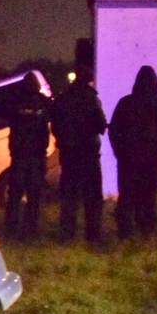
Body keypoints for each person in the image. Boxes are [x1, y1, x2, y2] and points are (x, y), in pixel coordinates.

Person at [108, 65, 157, 239]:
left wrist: (119, 152)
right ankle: (147, 231)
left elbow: (114, 130)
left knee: (127, 196)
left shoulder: (125, 103)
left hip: (127, 159)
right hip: (151, 160)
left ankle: (125, 233)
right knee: (149, 197)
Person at [50, 65, 107, 243]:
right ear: (89, 80)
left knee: (69, 196)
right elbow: (101, 125)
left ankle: (67, 234)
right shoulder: (92, 99)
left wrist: (63, 139)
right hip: (89, 153)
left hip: (69, 154)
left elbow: (54, 124)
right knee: (93, 197)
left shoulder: (62, 98)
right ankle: (93, 234)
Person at [0, 73, 53, 239]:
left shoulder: (15, 101)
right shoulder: (42, 102)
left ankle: (12, 229)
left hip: (20, 155)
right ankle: (30, 229)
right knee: (34, 194)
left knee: (15, 194)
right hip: (36, 155)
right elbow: (55, 112)